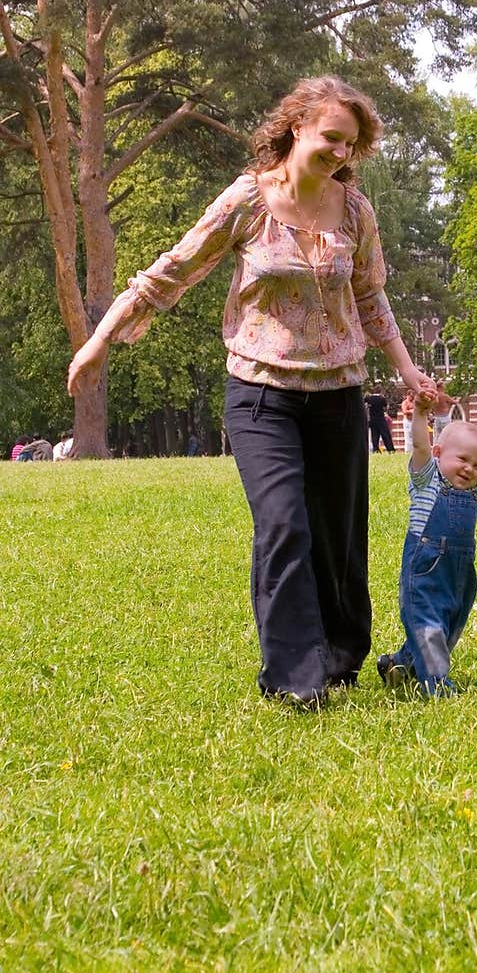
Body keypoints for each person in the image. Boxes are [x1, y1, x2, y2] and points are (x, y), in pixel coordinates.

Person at [67, 74, 434, 709]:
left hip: (340, 394)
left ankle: (340, 658)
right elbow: (172, 271)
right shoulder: (250, 202)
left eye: (351, 145)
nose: (340, 154)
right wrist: (100, 339)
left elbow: (371, 298)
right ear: (297, 127)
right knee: (284, 525)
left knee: (338, 536)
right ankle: (295, 679)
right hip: (261, 394)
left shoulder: (354, 211)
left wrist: (408, 372)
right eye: (331, 139)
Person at [376, 391, 477, 698]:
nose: (470, 468)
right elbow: (418, 445)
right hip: (425, 566)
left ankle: (398, 665)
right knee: (427, 625)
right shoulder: (427, 478)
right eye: (463, 459)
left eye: (476, 463)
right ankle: (437, 685)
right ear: (439, 453)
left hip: (460, 571)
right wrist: (419, 413)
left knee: (448, 628)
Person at [364, 388, 395, 453]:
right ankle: (390, 449)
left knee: (374, 435)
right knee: (385, 434)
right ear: (380, 391)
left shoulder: (369, 398)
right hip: (381, 419)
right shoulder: (382, 398)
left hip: (372, 419)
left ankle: (375, 449)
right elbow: (386, 406)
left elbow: (363, 403)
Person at [399, 389, 415, 454]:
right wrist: (411, 411)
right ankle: (408, 451)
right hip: (408, 421)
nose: (412, 397)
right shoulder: (405, 403)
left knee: (414, 437)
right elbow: (404, 411)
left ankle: (414, 451)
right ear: (408, 395)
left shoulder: (414, 402)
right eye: (411, 396)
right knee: (408, 437)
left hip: (414, 421)